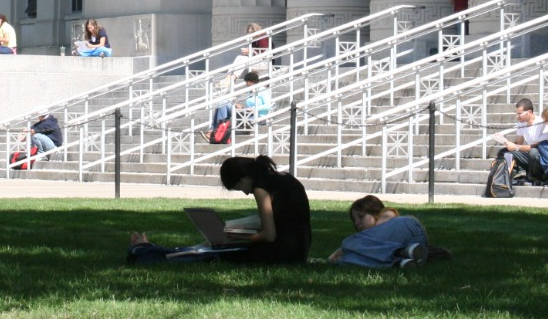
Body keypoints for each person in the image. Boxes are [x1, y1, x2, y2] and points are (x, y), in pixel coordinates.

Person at [126, 154, 312, 265]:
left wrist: (238, 236)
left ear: (244, 178)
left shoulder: (260, 188)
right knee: (214, 247)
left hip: (281, 252)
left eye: (239, 187)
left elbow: (269, 235)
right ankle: (151, 249)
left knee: (212, 253)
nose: (245, 192)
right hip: (300, 249)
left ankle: (147, 252)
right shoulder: (285, 177)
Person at [328, 195, 442, 268]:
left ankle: (400, 252)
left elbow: (354, 243)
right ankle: (400, 261)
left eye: (361, 217)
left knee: (348, 243)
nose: (357, 223)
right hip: (418, 250)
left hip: (409, 228)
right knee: (347, 260)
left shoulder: (386, 214)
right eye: (354, 220)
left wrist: (338, 253)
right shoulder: (374, 240)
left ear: (375, 212)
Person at [491, 98, 548, 182]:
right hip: (531, 155)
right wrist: (504, 140)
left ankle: (536, 178)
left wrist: (516, 147)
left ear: (529, 112)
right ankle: (514, 173)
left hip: (544, 156)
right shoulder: (521, 123)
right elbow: (518, 143)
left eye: (520, 114)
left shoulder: (541, 122)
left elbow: (539, 146)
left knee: (533, 152)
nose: (517, 116)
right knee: (504, 152)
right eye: (517, 113)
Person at [205, 71, 270, 141]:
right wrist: (241, 107)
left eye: (246, 82)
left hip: (258, 116)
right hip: (247, 113)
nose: (246, 84)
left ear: (250, 82)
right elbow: (249, 107)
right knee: (222, 103)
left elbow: (268, 106)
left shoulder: (263, 90)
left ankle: (216, 130)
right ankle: (218, 130)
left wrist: (253, 108)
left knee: (222, 104)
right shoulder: (250, 91)